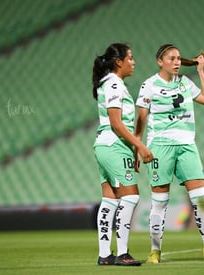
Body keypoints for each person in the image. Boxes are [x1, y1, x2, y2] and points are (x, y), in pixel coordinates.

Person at [135, 44, 204, 263]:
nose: (176, 62)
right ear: (160, 61)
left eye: (178, 58)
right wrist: (138, 148)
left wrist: (201, 72)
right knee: (160, 202)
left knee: (200, 199)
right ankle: (155, 251)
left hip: (187, 146)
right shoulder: (149, 85)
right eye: (171, 58)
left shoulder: (185, 82)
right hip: (159, 148)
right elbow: (141, 121)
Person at [92, 43, 154, 266]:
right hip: (113, 145)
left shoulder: (110, 84)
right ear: (119, 62)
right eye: (130, 58)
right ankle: (122, 253)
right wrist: (142, 146)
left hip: (107, 145)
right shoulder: (115, 85)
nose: (134, 62)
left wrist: (133, 148)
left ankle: (104, 255)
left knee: (109, 200)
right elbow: (117, 124)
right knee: (130, 197)